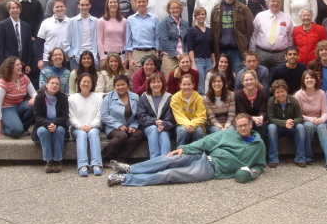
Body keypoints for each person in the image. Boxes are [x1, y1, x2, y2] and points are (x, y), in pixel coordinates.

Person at [107, 113, 266, 186]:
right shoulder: (229, 134)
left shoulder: (258, 145)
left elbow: (259, 165)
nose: (243, 128)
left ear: (250, 125)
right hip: (202, 155)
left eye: (246, 125)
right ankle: (130, 169)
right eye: (240, 126)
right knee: (169, 159)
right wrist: (184, 148)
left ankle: (125, 179)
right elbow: (206, 142)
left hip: (211, 169)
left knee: (170, 174)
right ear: (236, 126)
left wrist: (253, 173)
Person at [295, 70, 327, 170]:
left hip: (320, 120)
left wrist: (321, 120)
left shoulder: (322, 93)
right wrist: (311, 119)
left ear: (315, 80)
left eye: (311, 78)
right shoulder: (298, 95)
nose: (309, 80)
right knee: (308, 127)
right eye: (307, 78)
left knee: (322, 128)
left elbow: (325, 111)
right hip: (306, 120)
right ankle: (308, 156)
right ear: (303, 81)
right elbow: (298, 114)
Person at [211, 0, 254, 73]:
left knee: (239, 77)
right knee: (222, 78)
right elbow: (213, 30)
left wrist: (244, 43)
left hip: (238, 51)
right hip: (221, 50)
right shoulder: (216, 10)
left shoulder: (243, 9)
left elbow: (250, 29)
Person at [101, 74, 143, 164]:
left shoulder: (135, 97)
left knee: (139, 134)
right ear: (114, 86)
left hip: (130, 126)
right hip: (113, 127)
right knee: (122, 136)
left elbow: (139, 115)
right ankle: (104, 157)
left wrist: (134, 126)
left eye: (123, 84)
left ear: (127, 85)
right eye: (118, 85)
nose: (121, 87)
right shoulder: (108, 97)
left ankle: (119, 158)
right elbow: (104, 115)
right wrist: (118, 125)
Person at [32, 75, 69, 173]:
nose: (54, 85)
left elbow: (64, 116)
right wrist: (48, 124)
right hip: (43, 125)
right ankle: (48, 160)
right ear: (47, 85)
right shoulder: (39, 97)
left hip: (59, 125)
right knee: (43, 131)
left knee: (59, 130)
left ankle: (57, 160)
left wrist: (54, 124)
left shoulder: (63, 97)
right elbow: (37, 116)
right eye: (52, 83)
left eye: (57, 84)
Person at [69, 73, 103, 177]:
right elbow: (71, 117)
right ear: (79, 83)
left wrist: (91, 126)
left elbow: (100, 116)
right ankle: (82, 165)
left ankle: (96, 164)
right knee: (82, 134)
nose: (86, 84)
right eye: (84, 81)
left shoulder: (98, 97)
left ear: (92, 84)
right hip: (77, 129)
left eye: (89, 82)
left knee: (93, 133)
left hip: (93, 127)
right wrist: (80, 126)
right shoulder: (72, 98)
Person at [0, 57, 36, 139]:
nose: (20, 66)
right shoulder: (3, 83)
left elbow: (34, 93)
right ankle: (4, 128)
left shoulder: (24, 78)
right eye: (17, 65)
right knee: (16, 131)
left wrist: (34, 98)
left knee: (35, 105)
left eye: (20, 64)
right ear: (10, 68)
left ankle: (22, 128)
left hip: (19, 106)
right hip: (6, 108)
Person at [267, 79, 306, 168]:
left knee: (300, 127)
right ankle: (273, 159)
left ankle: (300, 158)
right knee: (271, 127)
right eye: (277, 92)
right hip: (278, 128)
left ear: (286, 91)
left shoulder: (293, 100)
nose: (280, 94)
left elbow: (300, 117)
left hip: (291, 127)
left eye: (282, 91)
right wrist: (284, 123)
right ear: (274, 93)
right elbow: (270, 118)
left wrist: (292, 122)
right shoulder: (271, 101)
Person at [250, 0, 293, 71]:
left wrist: (289, 53)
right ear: (268, 2)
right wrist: (252, 52)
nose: (275, 3)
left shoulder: (287, 18)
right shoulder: (260, 16)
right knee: (261, 76)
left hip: (281, 55)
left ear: (281, 3)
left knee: (279, 79)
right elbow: (254, 35)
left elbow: (290, 37)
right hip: (262, 54)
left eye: (278, 1)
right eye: (273, 1)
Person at [138, 73, 175, 159]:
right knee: (153, 129)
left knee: (164, 134)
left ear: (162, 83)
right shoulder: (144, 98)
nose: (156, 84)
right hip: (149, 128)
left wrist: (163, 125)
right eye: (153, 82)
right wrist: (154, 122)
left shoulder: (169, 98)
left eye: (158, 82)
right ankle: (154, 159)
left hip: (165, 127)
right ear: (149, 84)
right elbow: (141, 116)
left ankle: (165, 160)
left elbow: (171, 117)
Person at [125, 0, 161, 72]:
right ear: (135, 3)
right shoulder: (130, 19)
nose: (141, 4)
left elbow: (157, 38)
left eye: (143, 1)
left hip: (151, 52)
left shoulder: (154, 18)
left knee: (151, 79)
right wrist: (130, 58)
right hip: (137, 53)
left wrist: (157, 54)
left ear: (147, 2)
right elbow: (128, 40)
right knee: (137, 79)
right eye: (139, 2)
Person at [0, 0, 32, 72]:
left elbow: (29, 46)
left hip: (22, 63)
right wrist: (2, 65)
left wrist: (28, 63)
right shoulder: (2, 25)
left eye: (17, 8)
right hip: (8, 63)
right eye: (12, 8)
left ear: (20, 10)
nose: (15, 10)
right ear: (9, 10)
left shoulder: (26, 26)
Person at [63, 0, 99, 71]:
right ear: (78, 6)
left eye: (86, 5)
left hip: (93, 57)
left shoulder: (96, 21)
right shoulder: (72, 21)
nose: (84, 7)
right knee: (77, 80)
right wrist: (71, 56)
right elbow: (66, 40)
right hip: (76, 58)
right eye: (82, 5)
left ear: (90, 5)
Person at [170, 74, 207, 146]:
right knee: (183, 131)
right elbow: (178, 116)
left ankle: (202, 153)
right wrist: (188, 125)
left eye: (189, 84)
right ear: (180, 85)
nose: (186, 87)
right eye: (184, 84)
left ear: (193, 85)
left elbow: (202, 116)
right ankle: (180, 152)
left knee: (198, 131)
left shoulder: (199, 98)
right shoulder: (175, 98)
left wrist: (193, 125)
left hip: (197, 125)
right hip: (181, 125)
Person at [36, 0, 69, 71]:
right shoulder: (46, 22)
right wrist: (39, 59)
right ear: (53, 8)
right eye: (57, 7)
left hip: (65, 61)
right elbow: (39, 42)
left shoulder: (71, 22)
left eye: (61, 6)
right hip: (48, 60)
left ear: (65, 8)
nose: (59, 9)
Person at [187, 7, 215, 95]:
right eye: (198, 15)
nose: (201, 16)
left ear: (205, 16)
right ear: (195, 16)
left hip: (209, 61)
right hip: (198, 61)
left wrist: (214, 62)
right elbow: (190, 48)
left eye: (203, 14)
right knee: (201, 86)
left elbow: (212, 48)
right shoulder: (192, 30)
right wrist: (193, 64)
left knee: (210, 84)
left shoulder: (210, 30)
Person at [159, 0, 189, 79]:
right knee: (171, 79)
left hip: (183, 55)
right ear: (169, 9)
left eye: (177, 8)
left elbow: (187, 41)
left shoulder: (185, 23)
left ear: (181, 9)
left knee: (184, 80)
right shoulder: (164, 22)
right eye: (172, 8)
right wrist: (176, 55)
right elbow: (164, 41)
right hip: (169, 55)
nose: (175, 10)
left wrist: (185, 55)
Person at [234, 70, 268, 140]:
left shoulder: (263, 93)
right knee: (248, 124)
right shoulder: (238, 95)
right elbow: (242, 113)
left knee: (261, 124)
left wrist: (261, 118)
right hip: (245, 119)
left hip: (259, 120)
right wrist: (253, 118)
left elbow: (263, 111)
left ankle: (260, 146)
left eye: (251, 79)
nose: (249, 82)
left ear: (256, 81)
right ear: (243, 82)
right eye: (246, 80)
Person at [97, 0, 127, 64]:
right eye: (110, 2)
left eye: (115, 2)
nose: (113, 4)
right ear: (107, 5)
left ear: (118, 4)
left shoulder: (124, 21)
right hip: (107, 56)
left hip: (121, 56)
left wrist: (126, 58)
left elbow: (125, 40)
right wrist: (102, 58)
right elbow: (99, 41)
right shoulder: (101, 21)